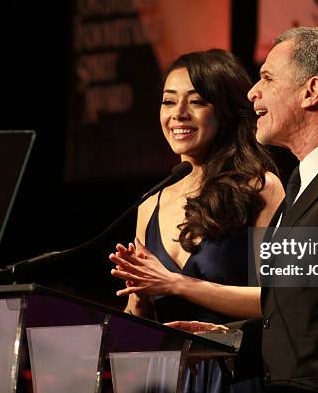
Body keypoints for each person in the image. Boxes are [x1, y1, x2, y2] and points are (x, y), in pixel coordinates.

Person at [113, 28, 318, 392]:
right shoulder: (306, 184)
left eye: (266, 78)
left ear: (311, 92)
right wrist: (223, 339)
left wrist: (182, 287)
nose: (252, 93)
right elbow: (305, 314)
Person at [109, 49, 284, 392]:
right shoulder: (151, 205)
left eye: (197, 101)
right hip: (170, 379)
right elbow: (139, 323)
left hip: (238, 377)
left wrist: (176, 284)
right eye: (168, 102)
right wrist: (140, 295)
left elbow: (280, 300)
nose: (179, 115)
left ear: (226, 110)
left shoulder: (260, 188)